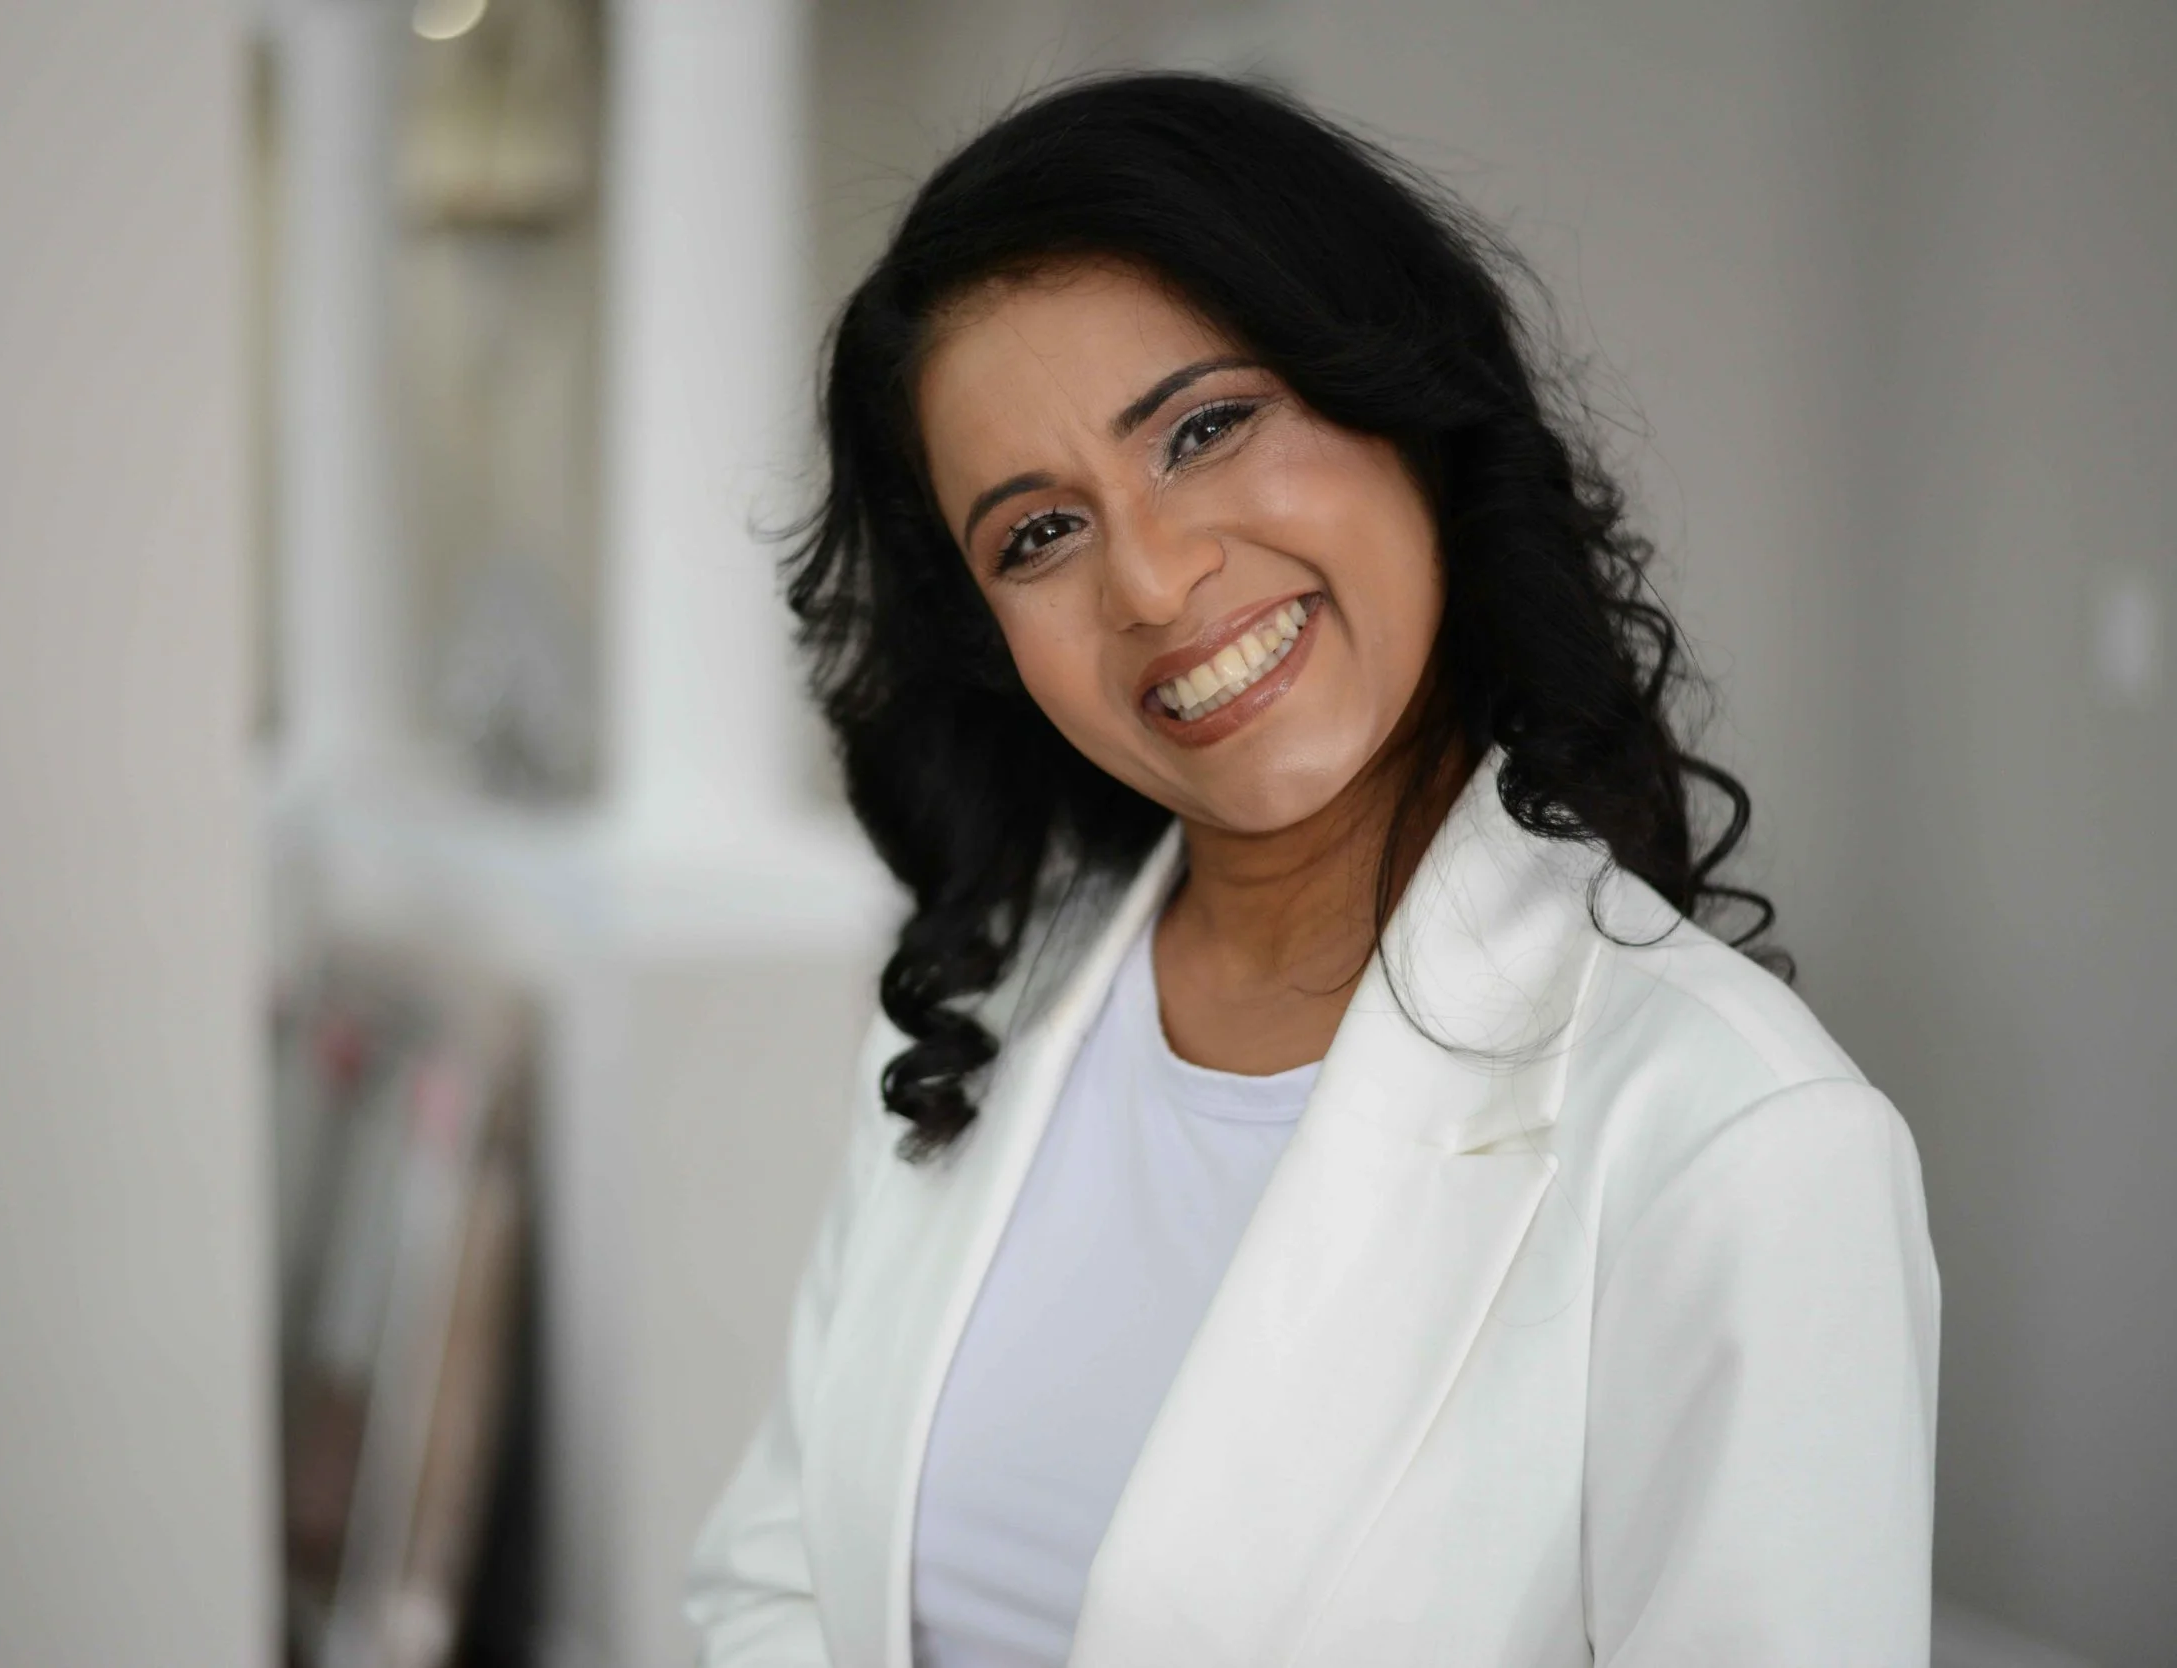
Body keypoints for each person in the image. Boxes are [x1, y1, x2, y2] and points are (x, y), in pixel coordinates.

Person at [686, 72, 1938, 1667]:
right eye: (1038, 534)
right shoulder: (972, 1016)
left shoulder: (1739, 1139)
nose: (1153, 582)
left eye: (1205, 429)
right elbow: (777, 1584)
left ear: (1402, 401)